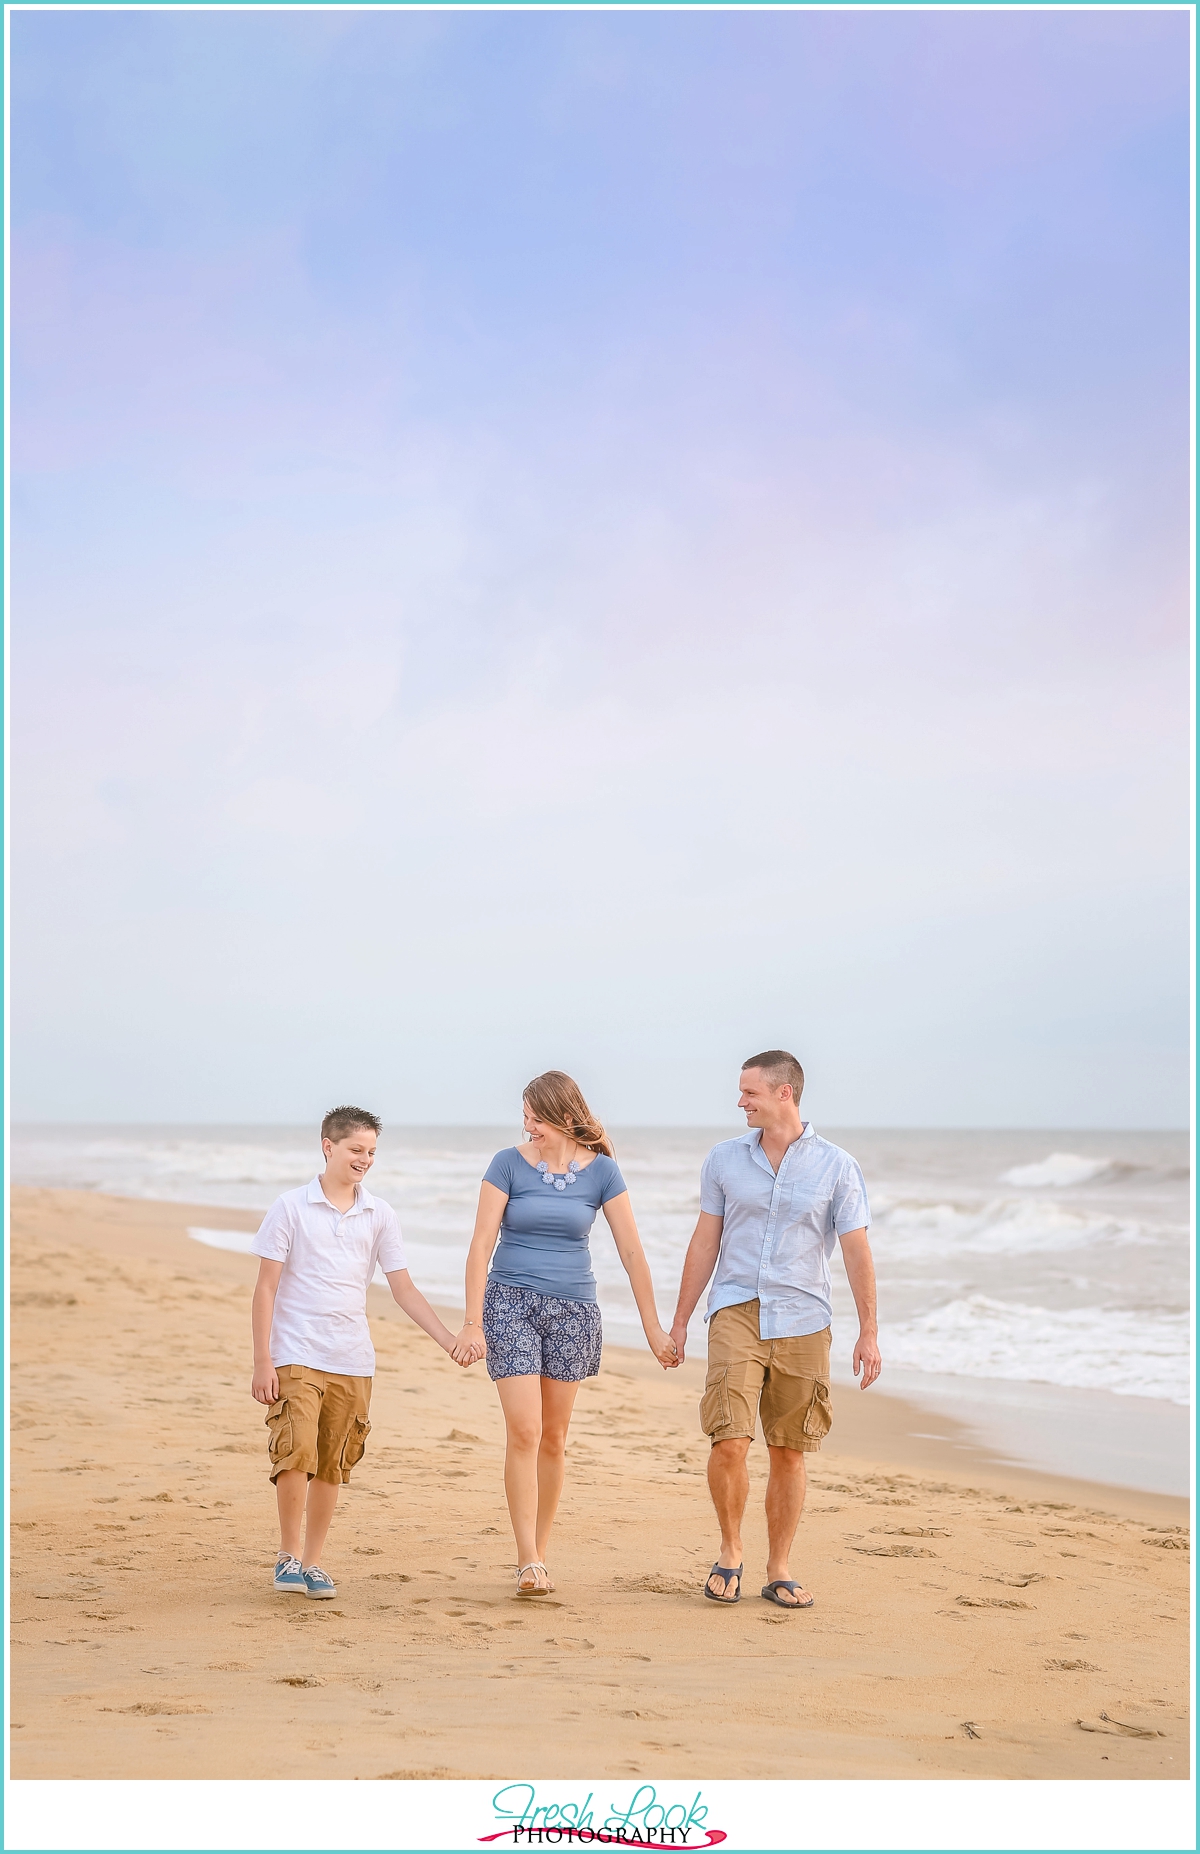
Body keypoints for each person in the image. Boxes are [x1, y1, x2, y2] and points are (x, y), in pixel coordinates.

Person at [452, 1071, 678, 1596]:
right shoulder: (506, 1164)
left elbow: (631, 1252)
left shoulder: (603, 1173)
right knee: (526, 1430)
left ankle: (542, 1552)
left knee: (554, 1437)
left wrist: (653, 1327)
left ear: (562, 1116)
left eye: (535, 1116)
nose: (527, 1125)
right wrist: (472, 1320)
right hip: (509, 1302)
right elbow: (481, 1242)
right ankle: (526, 1557)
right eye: (525, 1115)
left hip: (574, 1310)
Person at [670, 1051, 881, 1610]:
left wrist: (869, 1331)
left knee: (791, 1449)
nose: (740, 1101)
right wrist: (681, 1320)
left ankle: (779, 1567)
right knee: (729, 1438)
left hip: (805, 1318)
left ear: (784, 1093)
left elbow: (857, 1251)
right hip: (736, 1307)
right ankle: (731, 1551)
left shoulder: (838, 1166)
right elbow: (704, 1241)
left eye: (750, 1093)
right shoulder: (723, 1160)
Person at [251, 1106, 469, 1599]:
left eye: (371, 1152)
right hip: (296, 1352)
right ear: (328, 1146)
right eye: (356, 1150)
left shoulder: (380, 1214)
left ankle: (313, 1562)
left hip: (352, 1358)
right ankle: (287, 1555)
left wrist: (448, 1339)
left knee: (333, 1462)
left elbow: (403, 1288)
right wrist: (262, 1360)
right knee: (296, 1451)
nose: (365, 1159)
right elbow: (265, 1289)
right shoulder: (289, 1208)